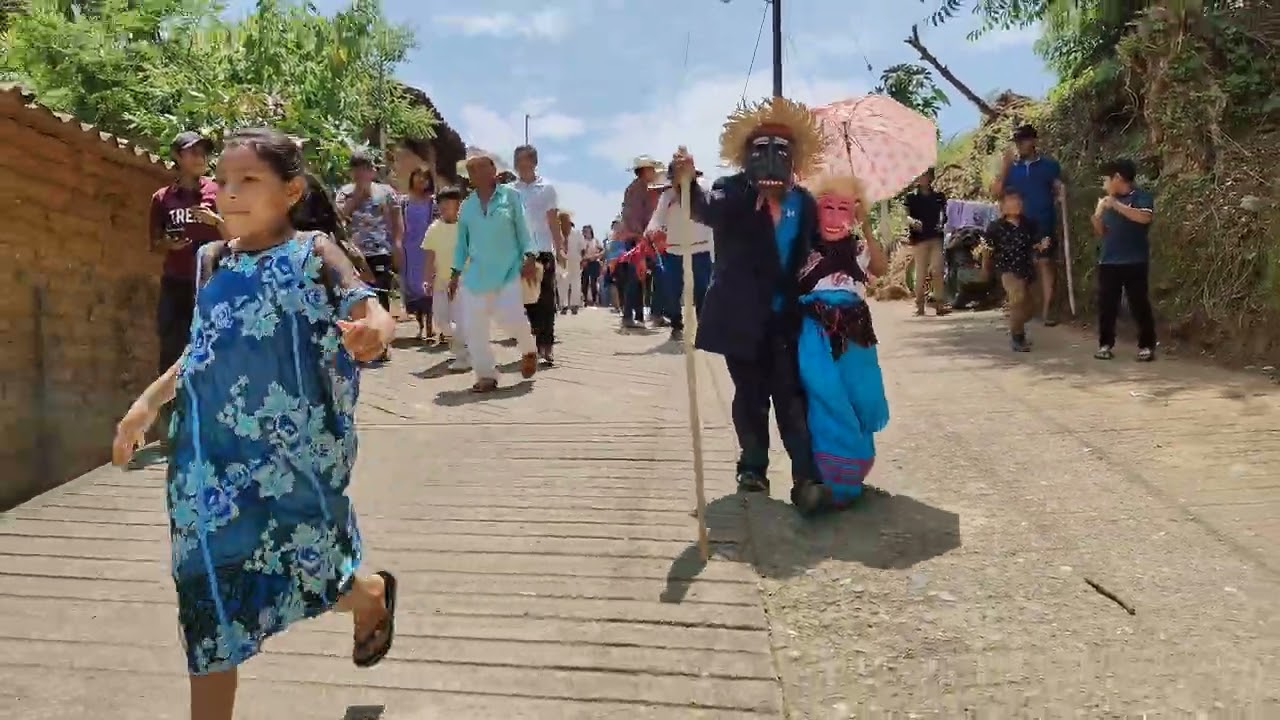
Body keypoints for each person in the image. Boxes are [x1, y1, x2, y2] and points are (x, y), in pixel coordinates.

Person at [112, 128, 398, 720]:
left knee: (304, 566)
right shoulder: (209, 259)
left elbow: (367, 305)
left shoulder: (313, 252)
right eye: (225, 178)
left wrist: (376, 330)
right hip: (206, 461)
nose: (231, 192)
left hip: (289, 460)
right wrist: (148, 403)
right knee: (206, 596)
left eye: (250, 180)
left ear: (290, 191)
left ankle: (367, 592)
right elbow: (202, 348)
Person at [671, 96, 832, 514]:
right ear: (746, 157)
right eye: (760, 150)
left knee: (792, 396)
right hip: (741, 316)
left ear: (794, 158)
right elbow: (704, 209)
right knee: (750, 396)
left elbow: (818, 251)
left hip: (786, 317)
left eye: (781, 150)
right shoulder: (731, 194)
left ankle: (806, 475)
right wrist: (685, 181)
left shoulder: (805, 204)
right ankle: (753, 469)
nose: (771, 158)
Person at [795, 173, 889, 507]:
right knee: (827, 399)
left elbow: (881, 268)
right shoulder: (802, 247)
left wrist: (866, 227)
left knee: (858, 398)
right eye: (827, 206)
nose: (835, 217)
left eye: (844, 208)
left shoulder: (859, 249)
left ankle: (854, 475)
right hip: (813, 334)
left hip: (857, 334)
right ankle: (834, 482)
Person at [448, 152, 540, 392]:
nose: (475, 173)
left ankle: (529, 349)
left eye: (480, 167)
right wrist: (455, 273)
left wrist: (529, 256)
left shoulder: (510, 197)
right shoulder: (466, 206)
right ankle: (486, 375)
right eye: (471, 169)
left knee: (511, 318)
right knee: (474, 326)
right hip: (476, 274)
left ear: (493, 170)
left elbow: (523, 230)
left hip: (508, 270)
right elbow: (462, 244)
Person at [149, 132, 227, 382]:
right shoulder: (163, 198)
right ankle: (170, 411)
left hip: (212, 282)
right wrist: (168, 244)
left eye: (203, 153)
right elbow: (154, 243)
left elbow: (237, 236)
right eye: (192, 152)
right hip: (176, 283)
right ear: (177, 156)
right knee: (171, 348)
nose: (200, 158)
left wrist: (216, 221)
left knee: (212, 345)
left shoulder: (218, 192)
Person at [993, 124, 1066, 326]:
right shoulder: (1011, 169)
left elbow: (1057, 186)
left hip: (1043, 220)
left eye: (1022, 141)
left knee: (1044, 262)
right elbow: (997, 192)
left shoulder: (1049, 166)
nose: (1019, 146)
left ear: (1033, 141)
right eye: (1016, 142)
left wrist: (1060, 192)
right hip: (1017, 226)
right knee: (1022, 266)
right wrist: (1004, 168)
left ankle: (1047, 310)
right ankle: (1025, 306)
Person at [336, 152, 403, 361]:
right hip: (354, 254)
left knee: (380, 297)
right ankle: (360, 343)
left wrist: (398, 245)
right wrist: (356, 196)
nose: (361, 173)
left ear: (372, 170)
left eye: (365, 168)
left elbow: (397, 220)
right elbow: (339, 218)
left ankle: (381, 345)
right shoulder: (344, 192)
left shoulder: (386, 192)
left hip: (380, 251)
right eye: (356, 168)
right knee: (358, 297)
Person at [1092, 158, 1156, 362]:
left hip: (1135, 260)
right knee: (1107, 305)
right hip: (1109, 260)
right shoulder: (1108, 201)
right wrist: (1098, 214)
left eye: (1106, 179)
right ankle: (1105, 344)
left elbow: (1145, 218)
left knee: (1139, 303)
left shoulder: (1141, 197)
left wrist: (1117, 206)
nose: (1104, 184)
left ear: (1117, 178)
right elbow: (1102, 232)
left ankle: (1146, 345)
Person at [646, 165, 714, 343]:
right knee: (671, 289)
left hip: (701, 249)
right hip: (674, 250)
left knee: (703, 290)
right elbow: (656, 219)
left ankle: (704, 329)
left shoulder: (705, 188)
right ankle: (676, 324)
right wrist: (650, 232)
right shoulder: (667, 195)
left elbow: (716, 212)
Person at [510, 145, 563, 365]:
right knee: (526, 300)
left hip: (543, 249)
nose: (522, 165)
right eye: (518, 160)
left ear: (534, 162)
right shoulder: (509, 190)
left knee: (546, 300)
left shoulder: (547, 188)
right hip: (519, 252)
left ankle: (547, 345)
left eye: (525, 160)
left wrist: (559, 248)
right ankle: (533, 339)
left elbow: (553, 220)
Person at [986, 189, 1050, 352]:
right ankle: (1017, 337)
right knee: (1017, 298)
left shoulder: (1029, 224)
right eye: (1012, 201)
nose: (1016, 204)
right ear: (1003, 205)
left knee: (1030, 306)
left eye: (1018, 201)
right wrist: (985, 268)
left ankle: (1017, 323)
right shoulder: (995, 227)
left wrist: (1042, 245)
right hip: (1007, 268)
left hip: (1027, 268)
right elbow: (986, 250)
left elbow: (1035, 244)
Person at [421, 185, 469, 371]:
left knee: (460, 319)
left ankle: (463, 355)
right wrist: (426, 279)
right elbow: (430, 256)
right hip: (440, 281)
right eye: (442, 205)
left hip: (463, 280)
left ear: (459, 205)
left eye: (451, 204)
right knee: (441, 320)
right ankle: (466, 345)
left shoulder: (466, 227)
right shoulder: (434, 228)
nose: (446, 209)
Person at [618, 157, 662, 329]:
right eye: (651, 169)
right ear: (644, 171)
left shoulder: (645, 188)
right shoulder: (636, 189)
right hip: (638, 238)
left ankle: (638, 316)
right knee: (637, 277)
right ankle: (630, 316)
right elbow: (633, 214)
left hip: (642, 237)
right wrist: (640, 236)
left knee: (640, 277)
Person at [903, 168, 950, 317]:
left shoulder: (938, 197)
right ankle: (919, 305)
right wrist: (913, 222)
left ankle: (940, 303)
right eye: (919, 175)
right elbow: (906, 216)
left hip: (936, 236)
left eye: (925, 175)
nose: (922, 178)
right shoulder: (911, 197)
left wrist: (941, 222)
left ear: (930, 177)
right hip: (919, 239)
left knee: (937, 270)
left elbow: (944, 214)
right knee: (921, 273)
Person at [401, 169, 435, 340]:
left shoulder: (433, 202)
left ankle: (430, 326)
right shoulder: (403, 202)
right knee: (412, 287)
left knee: (429, 285)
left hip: (428, 248)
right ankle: (420, 323)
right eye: (418, 175)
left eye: (425, 177)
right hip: (409, 250)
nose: (422, 180)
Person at [556, 211, 585, 315]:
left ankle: (574, 305)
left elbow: (582, 248)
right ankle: (563, 305)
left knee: (576, 282)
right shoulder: (557, 233)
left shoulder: (576, 233)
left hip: (575, 260)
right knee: (562, 282)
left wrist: (582, 260)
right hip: (561, 260)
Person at [581, 224, 603, 307]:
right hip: (585, 262)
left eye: (586, 230)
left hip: (594, 262)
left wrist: (597, 256)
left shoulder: (595, 241)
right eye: (584, 230)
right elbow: (580, 252)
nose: (585, 232)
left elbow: (602, 251)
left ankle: (594, 300)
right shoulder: (582, 241)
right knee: (584, 282)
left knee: (594, 281)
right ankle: (585, 300)